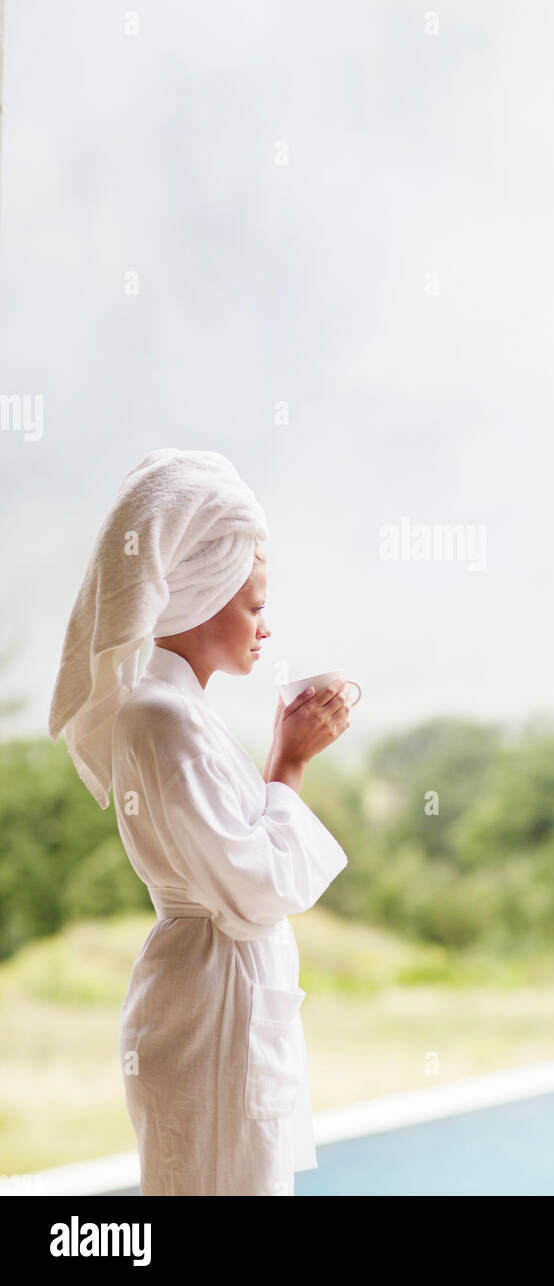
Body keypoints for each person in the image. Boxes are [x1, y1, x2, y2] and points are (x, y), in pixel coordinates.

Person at [48, 449, 351, 1195]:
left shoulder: (178, 713)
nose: (265, 628)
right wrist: (291, 763)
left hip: (220, 1002)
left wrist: (285, 754)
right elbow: (253, 890)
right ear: (201, 598)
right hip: (210, 1016)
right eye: (254, 606)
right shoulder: (161, 719)